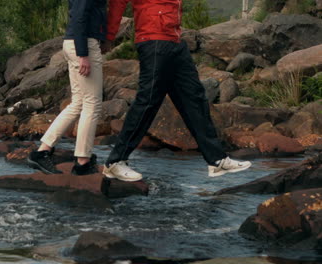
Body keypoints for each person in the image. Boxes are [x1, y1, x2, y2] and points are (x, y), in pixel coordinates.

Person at [101, 0, 252, 181]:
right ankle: (115, 161)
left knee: (194, 98)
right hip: (153, 39)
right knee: (148, 100)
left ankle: (217, 159)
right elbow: (117, 2)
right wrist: (109, 35)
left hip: (175, 40)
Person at [27, 0, 107, 175]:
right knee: (92, 104)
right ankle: (83, 162)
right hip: (83, 43)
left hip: (75, 42)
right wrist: (83, 54)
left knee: (78, 103)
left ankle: (43, 151)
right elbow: (79, 16)